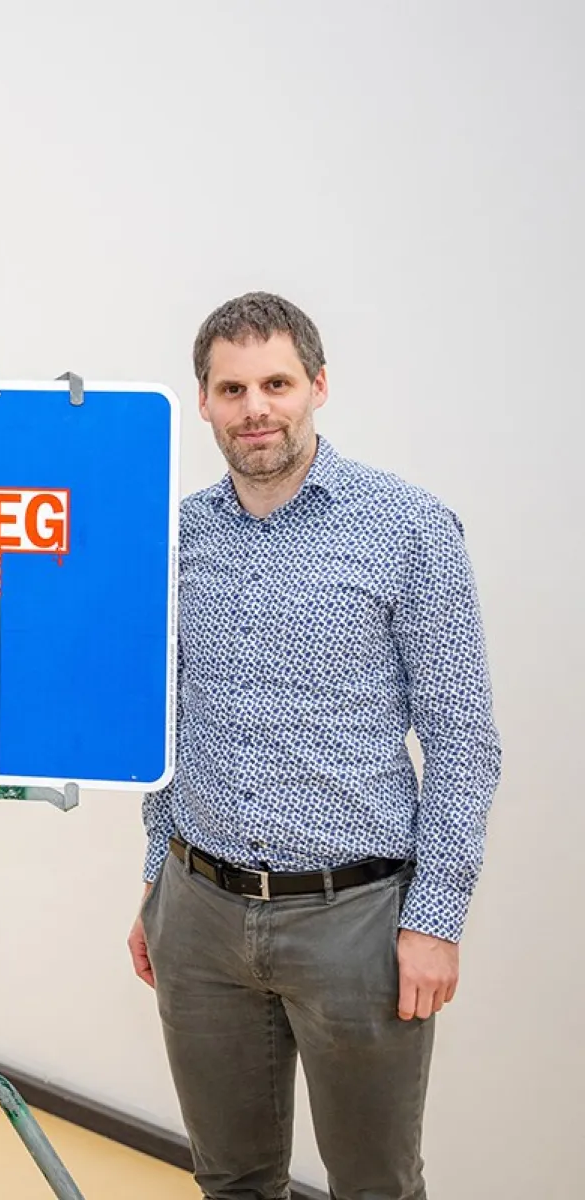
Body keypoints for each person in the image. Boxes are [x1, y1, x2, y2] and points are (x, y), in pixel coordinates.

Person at [127, 291, 501, 1200]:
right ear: (205, 402)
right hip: (202, 915)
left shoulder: (408, 528)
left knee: (374, 1183)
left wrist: (435, 920)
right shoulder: (174, 537)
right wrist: (155, 882)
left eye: (277, 383)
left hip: (359, 924)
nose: (256, 407)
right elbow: (163, 724)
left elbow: (463, 739)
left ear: (318, 387)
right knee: (232, 1178)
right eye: (232, 388)